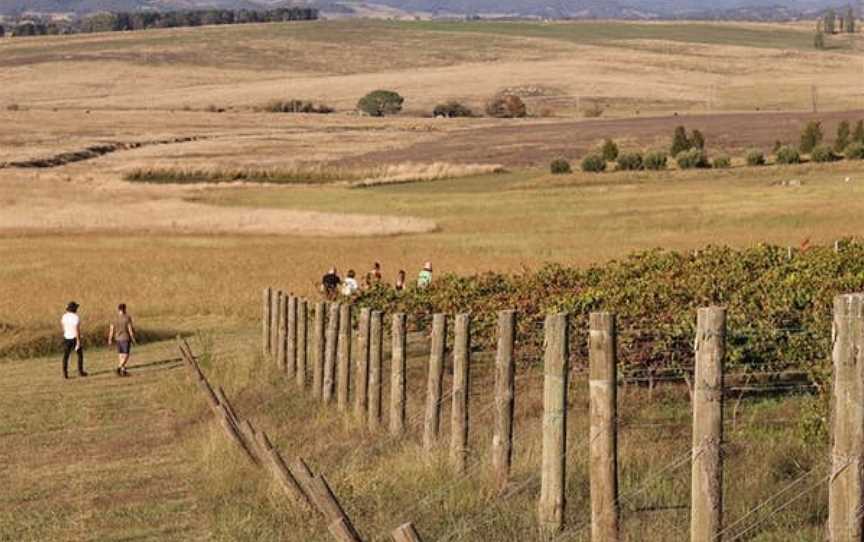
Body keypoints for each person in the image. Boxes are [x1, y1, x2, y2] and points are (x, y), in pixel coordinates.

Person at [108, 303, 137, 377]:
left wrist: (110, 339)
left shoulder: (114, 318)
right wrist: (133, 338)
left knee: (121, 355)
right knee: (126, 354)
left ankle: (123, 370)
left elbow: (111, 330)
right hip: (125, 338)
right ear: (124, 309)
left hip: (117, 338)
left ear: (118, 309)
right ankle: (119, 367)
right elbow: (130, 329)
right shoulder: (127, 317)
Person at [61, 301, 87, 379]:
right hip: (74, 337)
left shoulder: (64, 316)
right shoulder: (76, 317)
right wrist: (78, 341)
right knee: (79, 355)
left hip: (66, 337)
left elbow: (62, 325)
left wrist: (66, 332)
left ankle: (65, 373)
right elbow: (77, 330)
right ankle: (80, 371)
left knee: (66, 356)